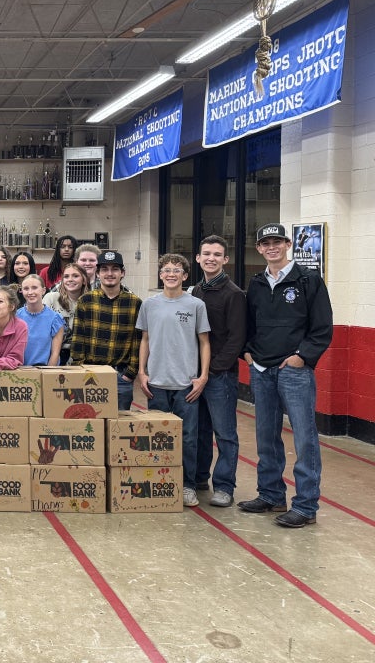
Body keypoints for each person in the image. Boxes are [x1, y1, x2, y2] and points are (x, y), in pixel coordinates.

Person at [238, 223, 333, 528]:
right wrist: (248, 352)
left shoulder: (308, 280)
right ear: (260, 248)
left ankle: (306, 505)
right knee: (266, 436)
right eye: (266, 243)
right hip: (262, 370)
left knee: (304, 439)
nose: (272, 247)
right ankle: (271, 494)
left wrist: (302, 357)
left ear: (288, 244)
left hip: (294, 372)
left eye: (277, 241)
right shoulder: (255, 283)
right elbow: (248, 324)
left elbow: (322, 328)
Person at [135, 254, 211, 508]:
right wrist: (142, 372)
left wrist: (202, 377)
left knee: (188, 438)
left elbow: (204, 343)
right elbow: (145, 340)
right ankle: (159, 482)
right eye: (166, 270)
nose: (170, 274)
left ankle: (187, 485)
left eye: (176, 270)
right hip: (156, 383)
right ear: (160, 275)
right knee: (157, 437)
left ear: (185, 276)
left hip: (186, 385)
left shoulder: (195, 305)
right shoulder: (149, 305)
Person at [191, 235, 247, 507]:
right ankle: (200, 477)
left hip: (219, 376)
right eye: (206, 253)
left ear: (225, 259)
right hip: (195, 374)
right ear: (198, 258)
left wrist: (211, 370)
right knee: (200, 429)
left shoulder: (234, 294)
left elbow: (236, 339)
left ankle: (224, 486)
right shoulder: (196, 290)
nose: (211, 258)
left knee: (224, 433)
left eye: (217, 254)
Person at [70, 250, 142, 411]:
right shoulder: (86, 301)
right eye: (104, 269)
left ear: (122, 273)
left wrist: (130, 373)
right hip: (90, 374)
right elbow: (78, 338)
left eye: (115, 269)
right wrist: (80, 367)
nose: (110, 273)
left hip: (121, 376)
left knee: (118, 429)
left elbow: (137, 342)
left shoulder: (134, 303)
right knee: (89, 423)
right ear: (98, 273)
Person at [44, 263, 90, 365]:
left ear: (84, 280)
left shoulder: (90, 302)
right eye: (66, 276)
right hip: (53, 354)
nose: (70, 279)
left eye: (75, 276)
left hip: (80, 357)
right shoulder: (51, 298)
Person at [17, 274, 64, 366]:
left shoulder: (55, 319)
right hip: (20, 371)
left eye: (34, 288)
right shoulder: (15, 317)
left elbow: (55, 354)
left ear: (43, 290)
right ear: (21, 291)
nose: (30, 292)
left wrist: (48, 375)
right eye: (26, 289)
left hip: (45, 371)